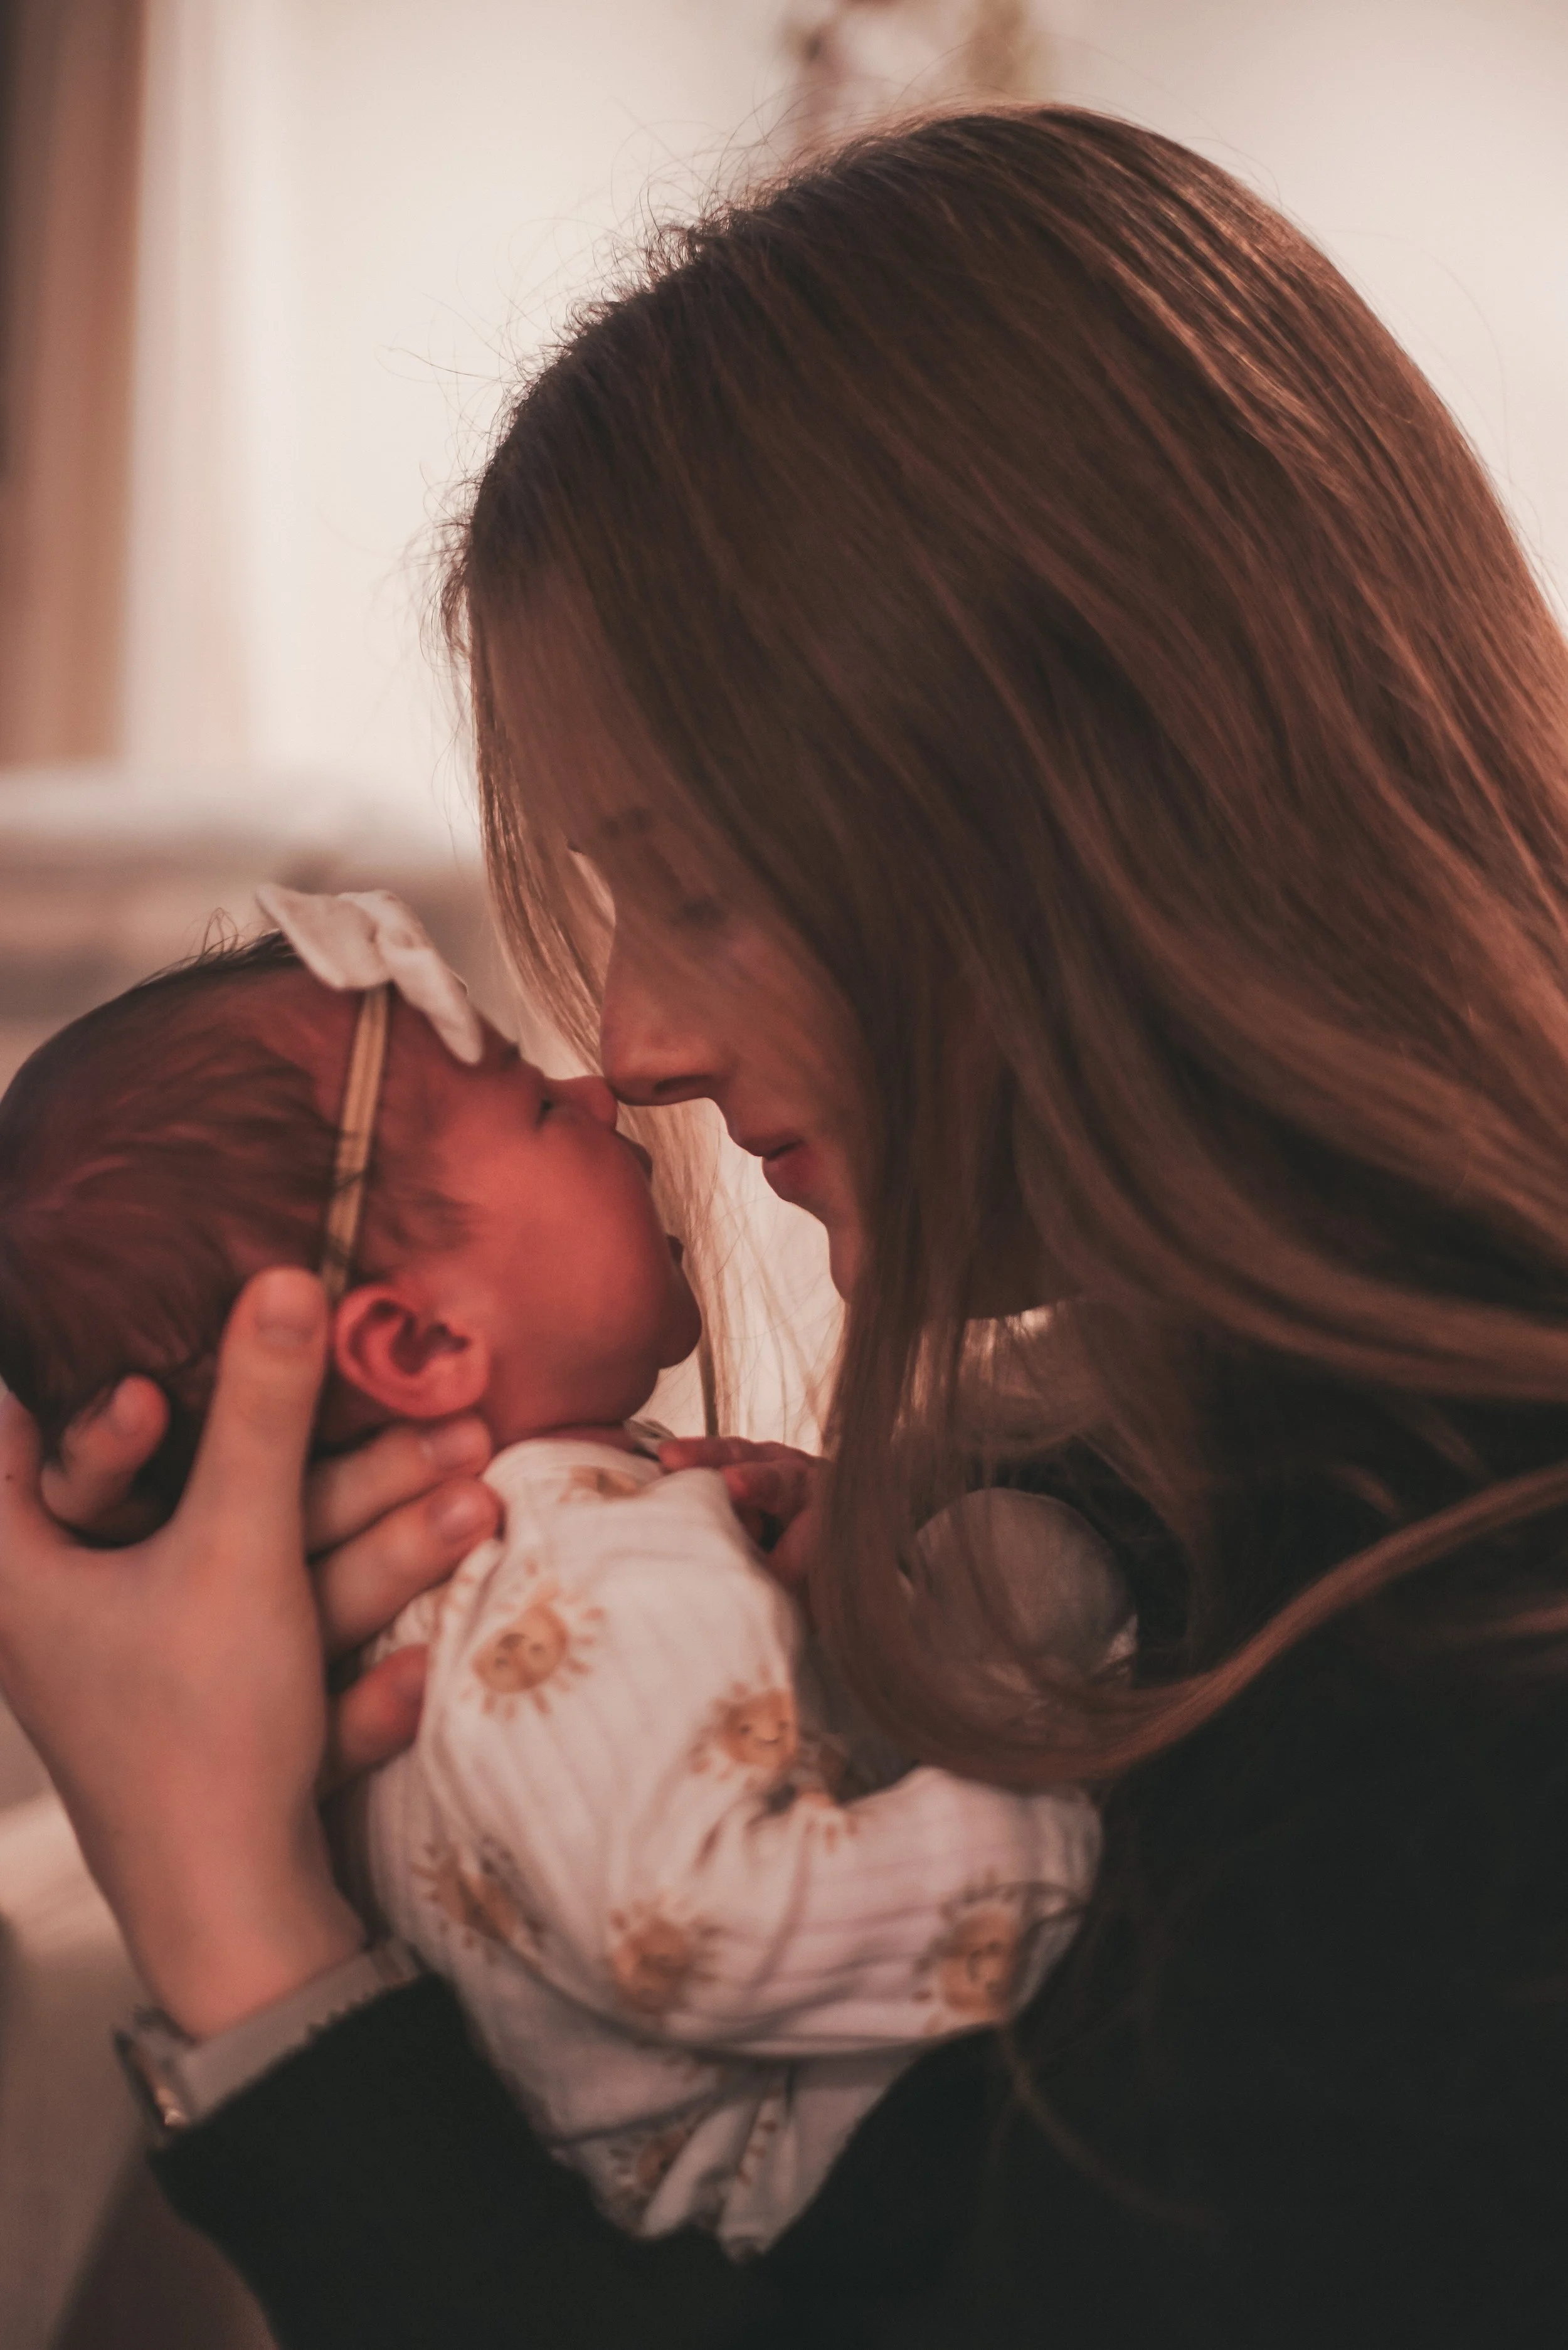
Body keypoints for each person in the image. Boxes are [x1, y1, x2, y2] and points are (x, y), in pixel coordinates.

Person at [2, 101, 1568, 2348]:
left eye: (701, 888)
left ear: (1084, 813)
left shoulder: (1466, 1735)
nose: (623, 1039)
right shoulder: (1191, 1489)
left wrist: (229, 1917)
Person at [0, 889, 1108, 2257]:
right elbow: (695, 1923)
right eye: (532, 1105)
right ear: (413, 1347)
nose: (603, 1084)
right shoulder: (571, 1566)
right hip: (812, 2185)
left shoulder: (535, 1555)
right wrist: (1064, 1844)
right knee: (1028, 1563)